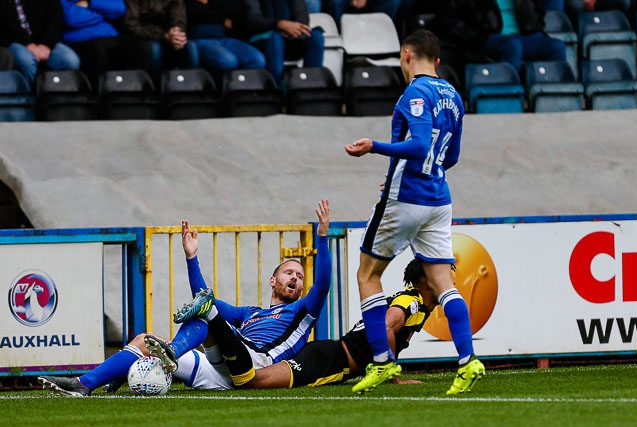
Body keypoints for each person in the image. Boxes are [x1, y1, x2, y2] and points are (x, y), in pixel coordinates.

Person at [38, 199, 331, 396]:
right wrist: (191, 257)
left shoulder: (302, 311)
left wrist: (321, 237)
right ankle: (83, 384)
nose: (295, 277)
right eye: (288, 272)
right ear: (273, 280)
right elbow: (205, 298)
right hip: (222, 371)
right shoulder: (250, 313)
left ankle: (170, 354)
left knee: (204, 317)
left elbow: (324, 284)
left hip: (255, 366)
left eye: (300, 275)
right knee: (144, 340)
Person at [343, 29, 484, 395]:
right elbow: (448, 157)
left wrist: (374, 146)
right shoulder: (453, 96)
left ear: (406, 55)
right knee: (443, 282)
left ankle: (382, 362)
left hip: (406, 197)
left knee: (367, 275)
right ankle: (468, 361)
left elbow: (420, 144)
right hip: (439, 198)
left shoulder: (415, 93)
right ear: (436, 60)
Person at [244, 258, 438, 389]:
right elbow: (384, 327)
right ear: (427, 281)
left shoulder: (416, 303)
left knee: (252, 377)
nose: (451, 283)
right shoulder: (411, 301)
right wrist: (391, 375)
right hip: (330, 361)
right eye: (444, 276)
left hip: (330, 354)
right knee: (253, 381)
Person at [432, 0, 566, 86]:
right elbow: (447, 17)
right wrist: (473, 36)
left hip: (524, 35)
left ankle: (557, 96)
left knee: (557, 47)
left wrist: (533, 23)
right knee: (512, 45)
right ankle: (512, 94)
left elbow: (537, 10)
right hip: (486, 37)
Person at [60, 0, 153, 89]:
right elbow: (71, 18)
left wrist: (90, 3)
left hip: (110, 37)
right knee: (98, 50)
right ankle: (100, 95)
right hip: (79, 40)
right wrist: (102, 14)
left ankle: (133, 94)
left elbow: (119, 8)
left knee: (141, 48)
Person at [241, 0, 325, 86]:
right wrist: (280, 24)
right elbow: (253, 21)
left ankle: (312, 85)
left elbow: (302, 14)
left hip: (289, 38)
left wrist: (295, 29)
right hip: (261, 39)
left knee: (316, 36)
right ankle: (275, 87)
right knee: (275, 38)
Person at [0, 0, 80, 88]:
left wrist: (45, 44)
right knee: (26, 61)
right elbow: (6, 27)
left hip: (44, 41)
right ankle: (30, 96)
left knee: (70, 59)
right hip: (14, 41)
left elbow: (55, 17)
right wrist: (28, 44)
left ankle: (60, 96)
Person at [185, 0, 266, 84]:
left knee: (257, 59)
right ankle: (217, 92)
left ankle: (245, 92)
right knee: (228, 61)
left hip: (226, 38)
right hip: (200, 38)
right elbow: (194, 9)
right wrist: (223, 18)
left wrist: (211, 3)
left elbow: (237, 10)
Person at [121, 0, 199, 85]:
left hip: (170, 36)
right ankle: (156, 89)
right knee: (155, 50)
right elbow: (132, 27)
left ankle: (191, 88)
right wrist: (164, 36)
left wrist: (177, 34)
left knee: (190, 47)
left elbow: (179, 19)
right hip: (145, 36)